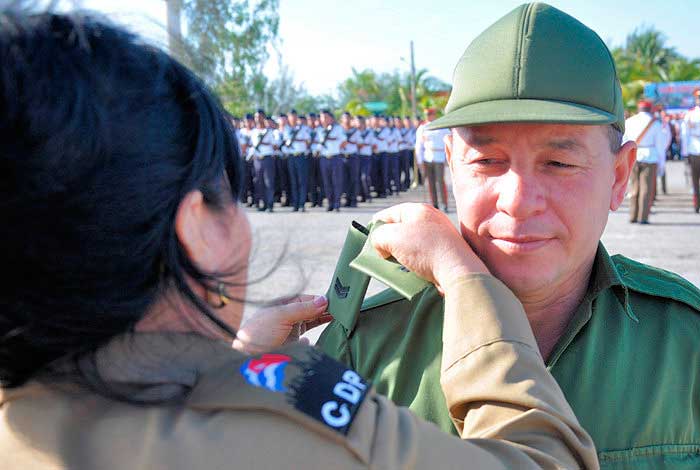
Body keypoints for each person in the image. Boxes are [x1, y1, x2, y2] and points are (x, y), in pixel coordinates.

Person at [0, 11, 600, 469]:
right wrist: (466, 279)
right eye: (228, 196)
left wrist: (229, 358)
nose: (520, 198)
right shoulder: (283, 417)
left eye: (559, 164)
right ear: (195, 230)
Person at [319, 3, 700, 467]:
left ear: (619, 177)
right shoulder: (362, 347)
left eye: (558, 163)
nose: (517, 200)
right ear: (453, 162)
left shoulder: (685, 344)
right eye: (487, 161)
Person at [624, 100, 668, 224]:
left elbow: (624, 140)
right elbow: (660, 146)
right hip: (650, 156)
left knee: (634, 187)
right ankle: (643, 217)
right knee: (646, 188)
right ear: (650, 109)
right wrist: (662, 164)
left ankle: (632, 215)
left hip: (633, 155)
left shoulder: (630, 121)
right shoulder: (655, 124)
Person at [415, 108, 450, 211]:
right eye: (427, 115)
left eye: (430, 114)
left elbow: (448, 141)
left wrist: (447, 158)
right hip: (427, 157)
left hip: (439, 157)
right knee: (430, 182)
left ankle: (444, 203)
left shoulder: (442, 127)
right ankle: (434, 204)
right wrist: (420, 161)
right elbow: (419, 145)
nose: (428, 116)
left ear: (434, 115)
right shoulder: (422, 128)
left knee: (440, 181)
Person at [318, 110, 346, 212]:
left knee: (336, 181)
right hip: (324, 158)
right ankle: (330, 203)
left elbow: (344, 142)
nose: (323, 119)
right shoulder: (319, 130)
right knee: (327, 182)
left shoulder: (338, 128)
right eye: (322, 117)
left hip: (335, 158)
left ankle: (337, 204)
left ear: (331, 118)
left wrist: (336, 150)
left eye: (325, 117)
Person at [285, 110, 313, 212]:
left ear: (296, 117)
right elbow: (286, 141)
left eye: (294, 116)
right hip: (291, 156)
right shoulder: (286, 129)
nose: (292, 118)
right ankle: (295, 204)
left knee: (302, 181)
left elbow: (307, 142)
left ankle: (302, 204)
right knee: (293, 181)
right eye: (290, 116)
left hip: (301, 156)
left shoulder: (303, 128)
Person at [250, 109, 277, 212]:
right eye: (256, 117)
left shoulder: (269, 131)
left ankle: (270, 205)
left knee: (268, 182)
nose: (257, 119)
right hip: (257, 159)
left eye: (259, 117)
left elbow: (275, 146)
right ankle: (264, 204)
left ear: (263, 118)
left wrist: (266, 144)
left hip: (267, 158)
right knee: (259, 182)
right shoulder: (254, 131)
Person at [681, 89, 700, 213]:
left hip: (694, 147)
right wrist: (685, 151)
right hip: (694, 147)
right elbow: (685, 134)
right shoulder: (690, 114)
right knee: (695, 179)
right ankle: (696, 204)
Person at [340, 112, 362, 208]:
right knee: (344, 180)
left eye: (348, 118)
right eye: (345, 118)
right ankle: (347, 199)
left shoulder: (355, 131)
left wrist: (351, 143)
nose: (347, 120)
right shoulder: (339, 131)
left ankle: (353, 200)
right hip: (342, 156)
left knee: (353, 179)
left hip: (353, 157)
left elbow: (360, 144)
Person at [355, 115, 375, 203]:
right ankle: (362, 196)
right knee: (358, 177)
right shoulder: (355, 132)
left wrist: (363, 145)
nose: (358, 124)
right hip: (357, 156)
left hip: (366, 156)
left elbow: (374, 144)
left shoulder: (369, 132)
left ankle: (368, 195)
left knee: (365, 177)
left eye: (359, 122)